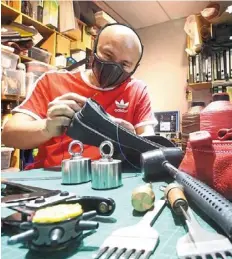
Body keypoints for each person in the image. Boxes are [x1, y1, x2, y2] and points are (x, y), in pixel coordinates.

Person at [1, 23, 158, 169]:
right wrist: (46, 128)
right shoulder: (52, 81)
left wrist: (129, 138)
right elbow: (8, 136)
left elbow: (151, 145)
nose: (114, 66)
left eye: (124, 65)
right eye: (108, 55)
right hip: (54, 179)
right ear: (94, 48)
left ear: (134, 68)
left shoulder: (137, 90)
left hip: (110, 175)